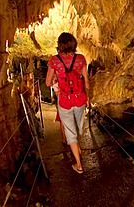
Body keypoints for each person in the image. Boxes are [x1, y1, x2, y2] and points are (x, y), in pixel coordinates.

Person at [45, 32, 90, 174]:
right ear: (73, 43)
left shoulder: (54, 61)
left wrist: (55, 81)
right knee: (79, 126)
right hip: (80, 98)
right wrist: (88, 97)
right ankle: (79, 147)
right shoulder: (81, 59)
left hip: (65, 101)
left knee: (70, 132)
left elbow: (47, 82)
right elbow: (86, 82)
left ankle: (79, 164)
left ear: (60, 45)